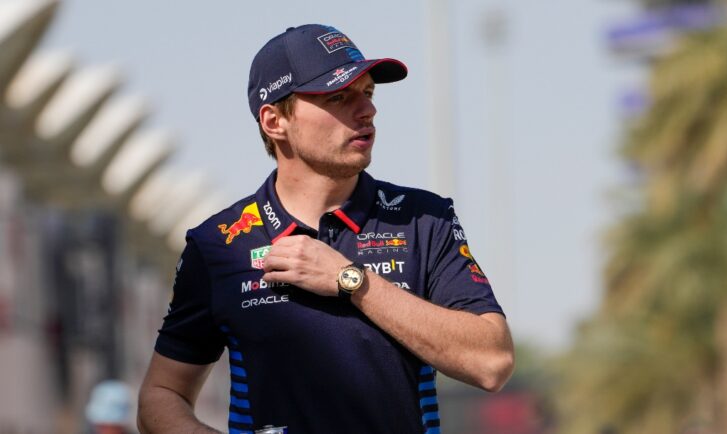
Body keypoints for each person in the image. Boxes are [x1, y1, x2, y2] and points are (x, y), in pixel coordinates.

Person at [137, 24, 514, 434]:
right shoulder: (219, 243)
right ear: (274, 121)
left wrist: (350, 280)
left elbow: (492, 363)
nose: (367, 110)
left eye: (367, 93)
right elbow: (160, 396)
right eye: (338, 96)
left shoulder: (423, 219)